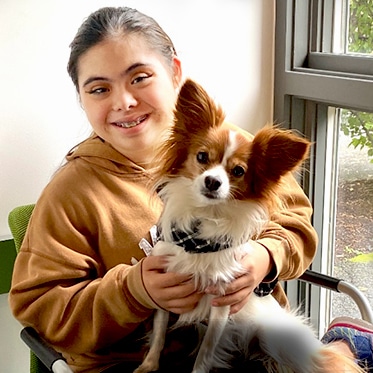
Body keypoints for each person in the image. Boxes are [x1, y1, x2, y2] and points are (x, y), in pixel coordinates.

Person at [8, 6, 372, 373]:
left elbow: (297, 223)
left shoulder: (236, 149)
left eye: (139, 78)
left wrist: (266, 255)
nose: (124, 102)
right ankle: (345, 345)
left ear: (175, 73)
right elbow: (40, 306)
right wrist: (132, 291)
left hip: (252, 347)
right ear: (82, 99)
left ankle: (341, 348)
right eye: (100, 88)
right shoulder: (71, 193)